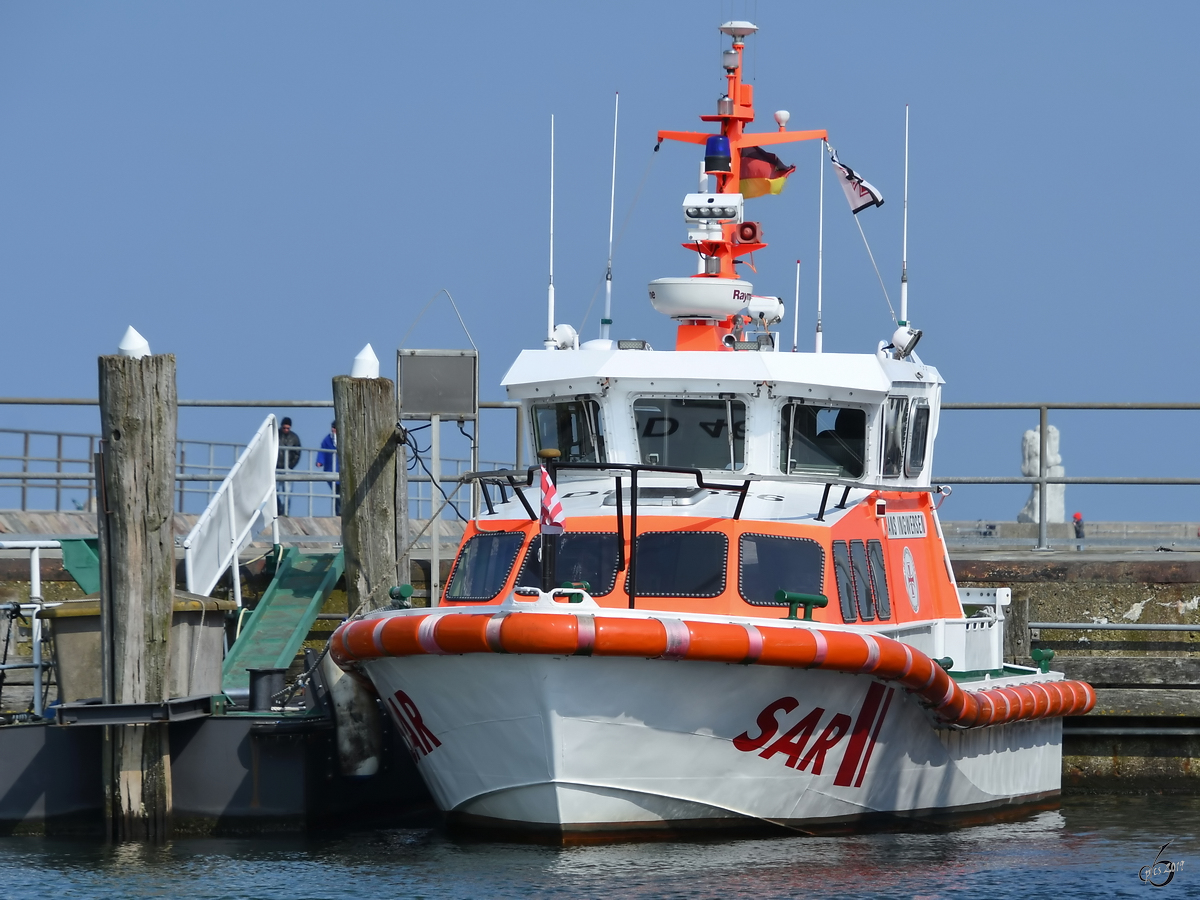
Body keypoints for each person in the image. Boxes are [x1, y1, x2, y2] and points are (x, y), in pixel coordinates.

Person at [276, 417, 302, 515]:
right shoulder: (275, 435)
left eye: (288, 428)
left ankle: (285, 513)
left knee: (287, 492)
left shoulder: (294, 438)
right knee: (274, 491)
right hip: (276, 468)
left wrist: (291, 465)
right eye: (284, 428)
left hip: (288, 469)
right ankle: (279, 509)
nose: (286, 430)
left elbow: (297, 453)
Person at [317, 421, 340, 515]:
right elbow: (322, 451)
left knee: (341, 492)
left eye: (335, 428)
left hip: (341, 469)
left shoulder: (345, 438)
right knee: (336, 491)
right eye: (332, 427)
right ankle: (338, 512)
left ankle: (340, 511)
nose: (333, 429)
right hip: (331, 469)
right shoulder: (327, 440)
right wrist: (320, 461)